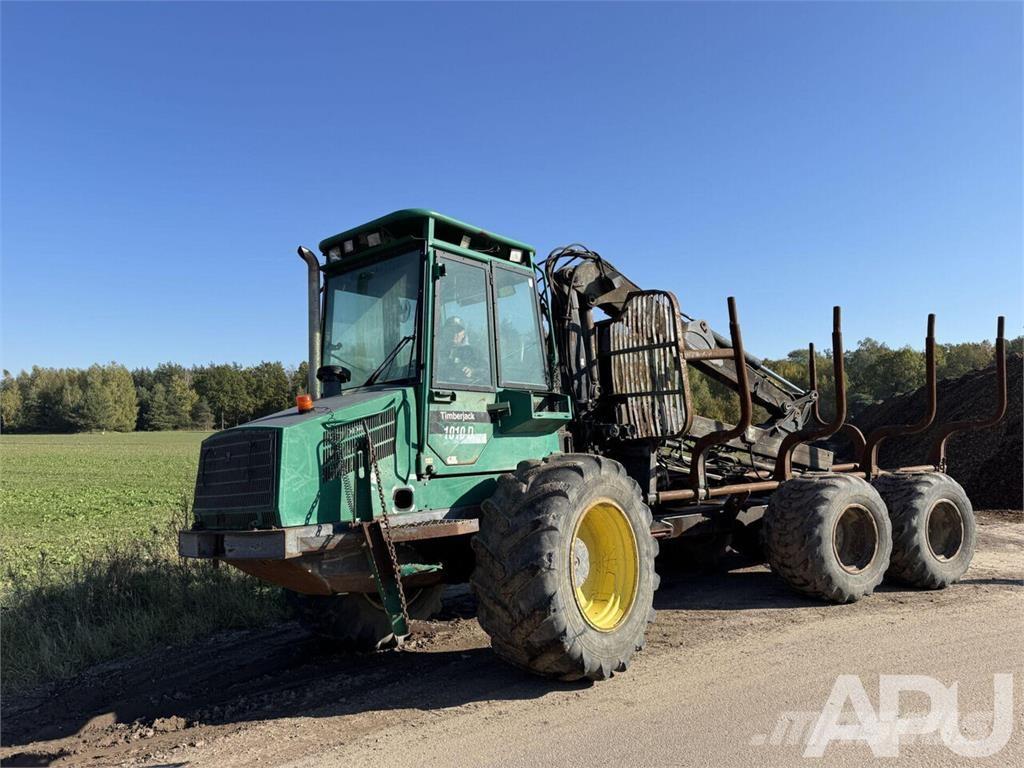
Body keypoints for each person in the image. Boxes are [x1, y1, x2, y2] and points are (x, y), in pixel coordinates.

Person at [439, 315, 481, 383]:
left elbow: (487, 371)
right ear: (445, 332)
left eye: (458, 330)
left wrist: (473, 371)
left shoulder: (474, 352)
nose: (455, 333)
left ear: (463, 333)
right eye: (451, 330)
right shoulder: (436, 353)